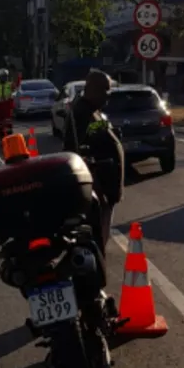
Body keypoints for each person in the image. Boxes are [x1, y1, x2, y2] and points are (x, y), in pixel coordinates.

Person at [63, 69, 124, 256]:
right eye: (105, 89)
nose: (109, 94)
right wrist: (96, 189)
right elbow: (78, 153)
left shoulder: (93, 111)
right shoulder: (80, 113)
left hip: (107, 186)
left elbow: (95, 133)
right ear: (93, 89)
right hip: (98, 190)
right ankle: (96, 270)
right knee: (95, 237)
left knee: (102, 233)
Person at [0, 68, 15, 140]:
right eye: (3, 76)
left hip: (8, 107)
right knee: (1, 124)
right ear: (0, 77)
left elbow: (14, 92)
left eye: (6, 76)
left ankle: (10, 138)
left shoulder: (10, 84)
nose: (5, 78)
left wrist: (11, 96)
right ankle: (2, 138)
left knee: (8, 123)